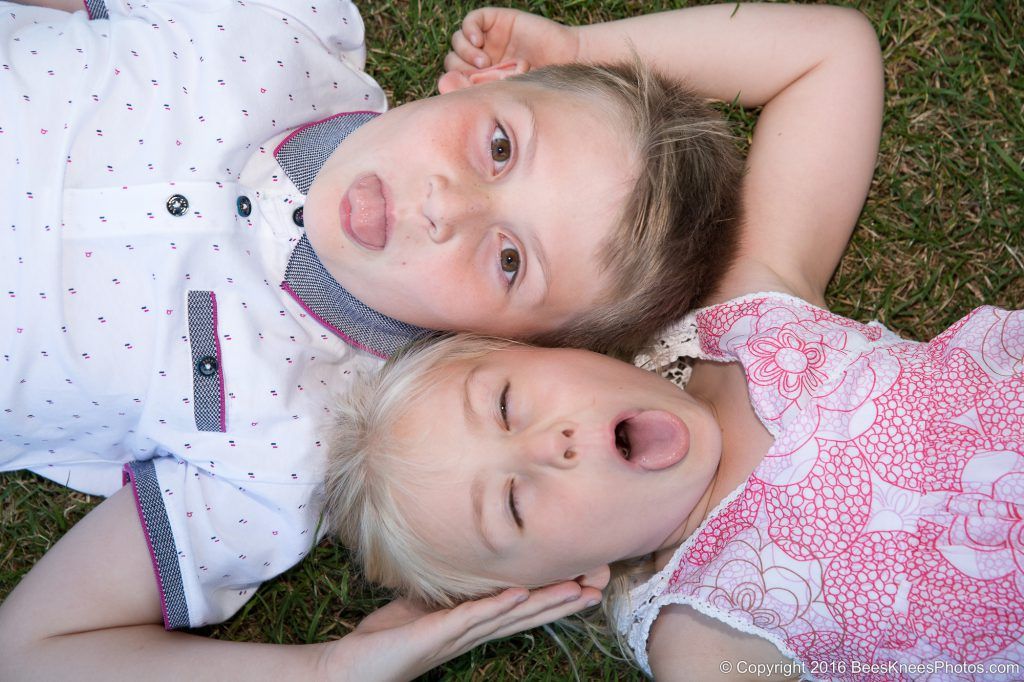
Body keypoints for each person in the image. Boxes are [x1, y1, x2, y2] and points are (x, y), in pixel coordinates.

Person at [0, 0, 742, 679]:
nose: (447, 202)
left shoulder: (289, 450)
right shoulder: (285, 23)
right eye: (500, 147)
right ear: (490, 79)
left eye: (510, 261)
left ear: (513, 344)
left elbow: (33, 649)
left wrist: (326, 671)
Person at [327, 3, 1021, 679]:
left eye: (507, 404)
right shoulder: (704, 637)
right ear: (557, 582)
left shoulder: (750, 317)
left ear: (548, 348)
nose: (550, 446)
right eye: (512, 504)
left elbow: (827, 56)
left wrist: (574, 53)